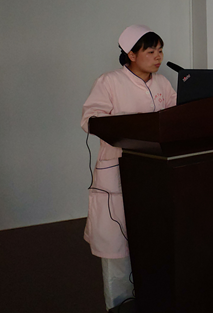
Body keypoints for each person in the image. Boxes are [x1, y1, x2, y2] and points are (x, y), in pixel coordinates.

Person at [81, 25, 177, 311]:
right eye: (151, 51)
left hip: (155, 170)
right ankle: (119, 305)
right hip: (118, 169)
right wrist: (132, 125)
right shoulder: (109, 81)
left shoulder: (163, 83)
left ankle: (153, 298)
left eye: (160, 50)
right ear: (131, 54)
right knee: (117, 243)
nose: (158, 57)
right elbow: (91, 119)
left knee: (153, 238)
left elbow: (176, 117)